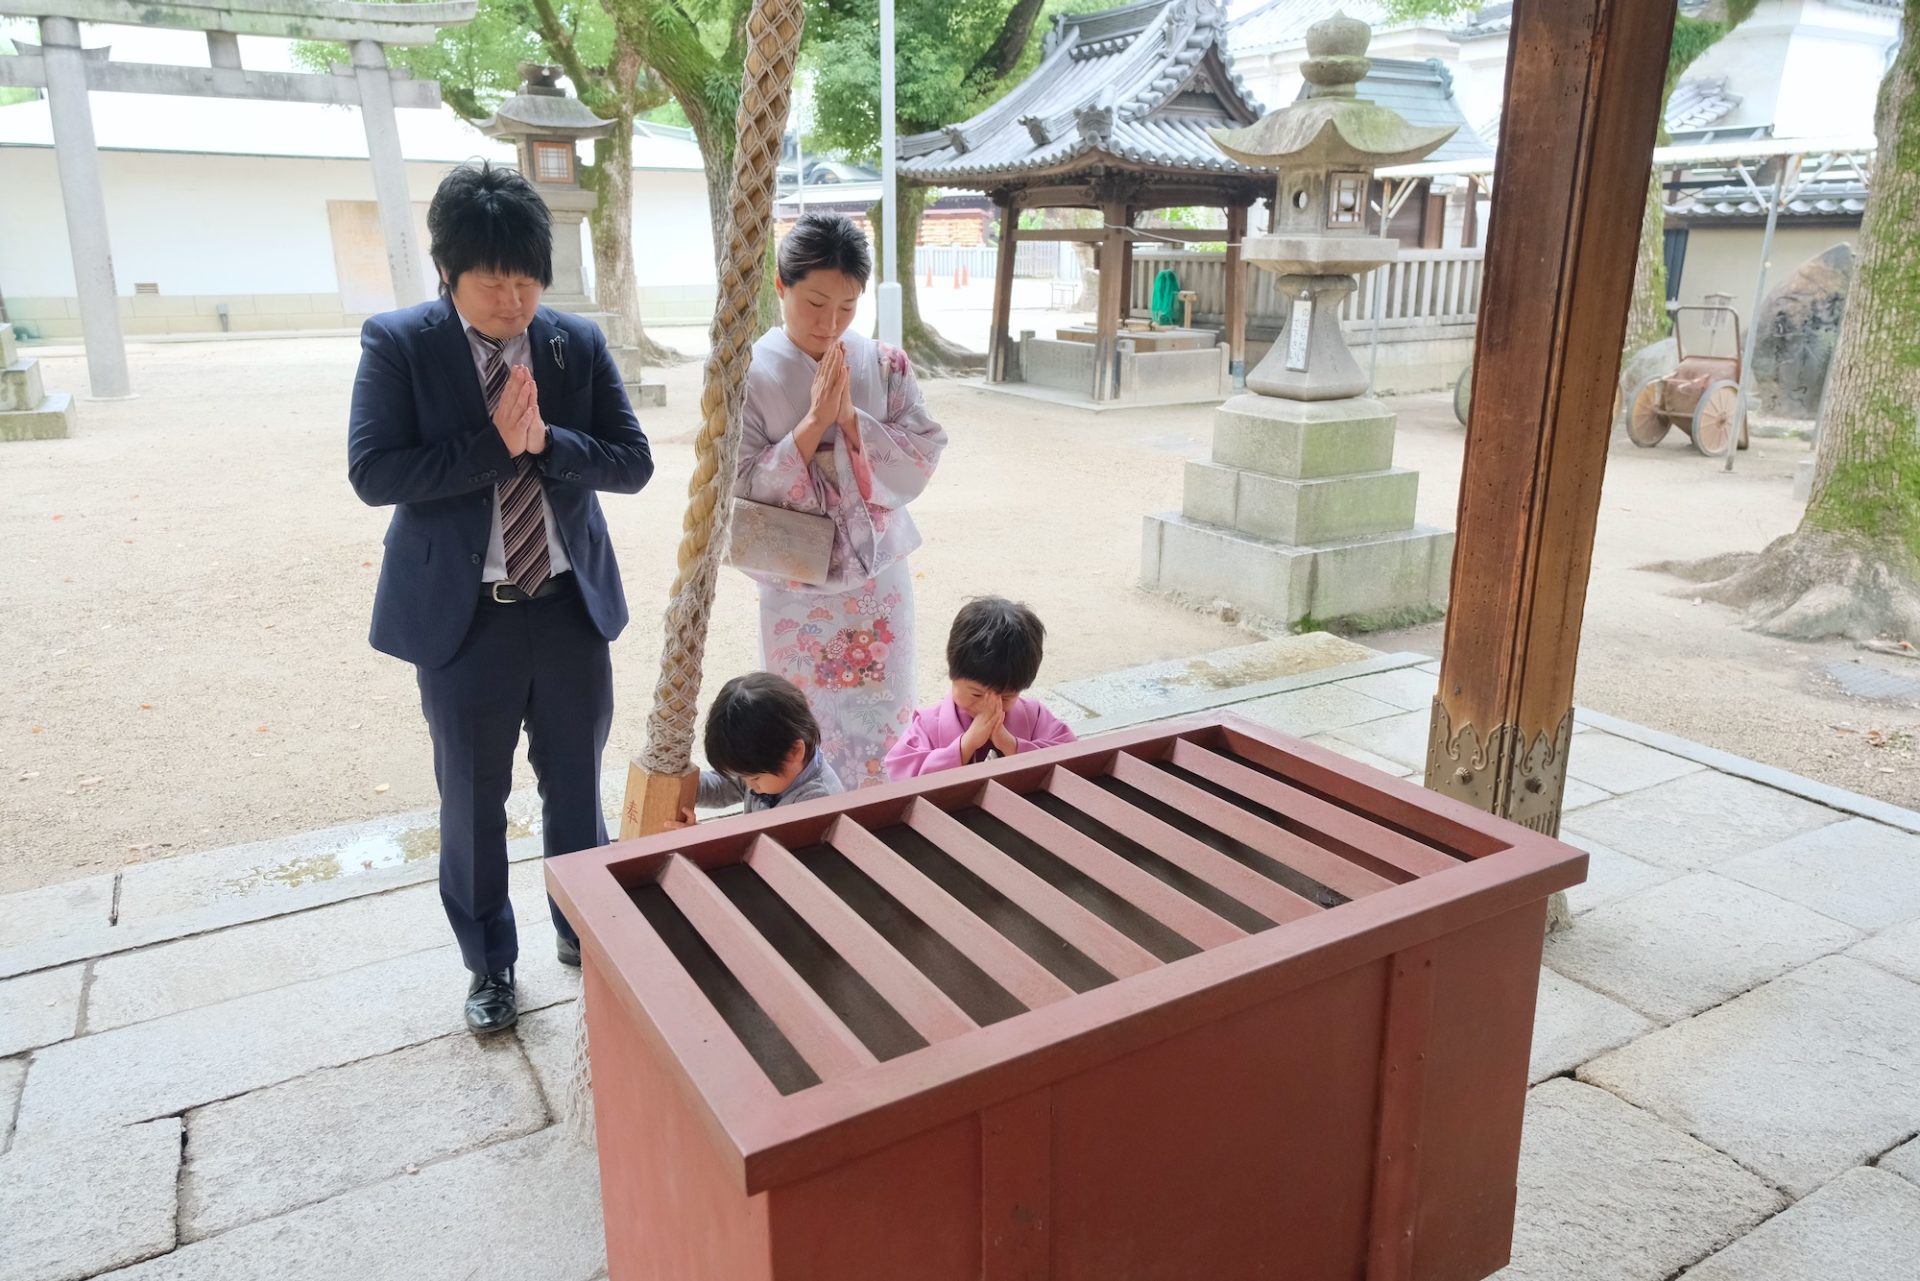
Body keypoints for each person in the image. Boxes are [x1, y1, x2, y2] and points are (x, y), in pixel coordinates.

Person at [347, 161, 653, 1035]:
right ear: (447, 272)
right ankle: (490, 965)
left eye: (527, 278)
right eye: (492, 280)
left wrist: (549, 440)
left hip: (566, 606)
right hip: (465, 619)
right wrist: (493, 447)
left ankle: (581, 928)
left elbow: (631, 461)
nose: (513, 299)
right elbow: (374, 472)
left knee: (576, 790)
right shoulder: (400, 343)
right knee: (473, 802)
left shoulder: (571, 345)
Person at [735, 212, 948, 791]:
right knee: (799, 723)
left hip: (876, 586)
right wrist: (811, 426)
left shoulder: (883, 363)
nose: (830, 324)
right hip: (797, 589)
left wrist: (853, 423)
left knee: (885, 713)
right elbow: (739, 483)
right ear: (780, 287)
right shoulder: (747, 375)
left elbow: (924, 450)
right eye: (814, 303)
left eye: (848, 307)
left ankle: (883, 819)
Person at [885, 597, 1077, 779]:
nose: (989, 705)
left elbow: (1072, 757)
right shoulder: (928, 725)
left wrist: (1011, 745)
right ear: (953, 672)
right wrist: (966, 744)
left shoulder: (1033, 716)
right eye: (976, 693)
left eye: (1005, 697)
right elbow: (902, 776)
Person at [668, 672, 844, 826]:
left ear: (794, 752)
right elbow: (721, 787)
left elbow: (766, 853)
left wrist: (702, 840)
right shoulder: (765, 766)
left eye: (754, 778)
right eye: (743, 777)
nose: (749, 786)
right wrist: (682, 786)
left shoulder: (817, 803)